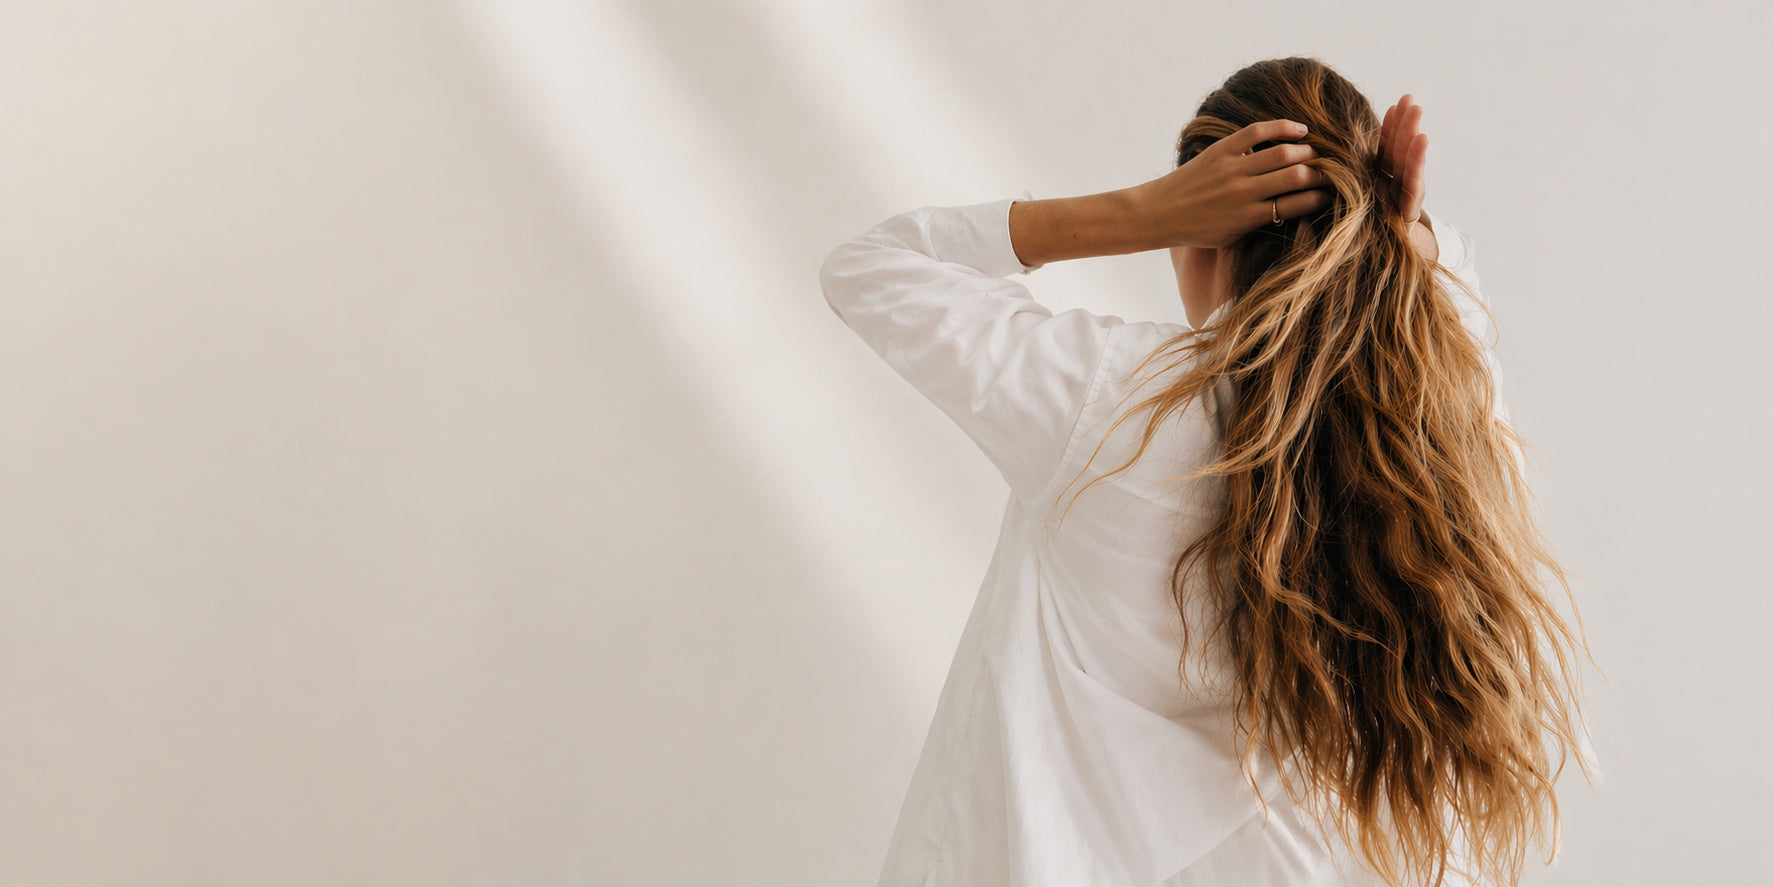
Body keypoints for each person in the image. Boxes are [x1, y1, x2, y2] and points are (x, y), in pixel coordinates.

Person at [818, 57, 1600, 887]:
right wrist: (1404, 240)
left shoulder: (1109, 403)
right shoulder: (1440, 423)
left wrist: (1142, 211)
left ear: (1195, 225)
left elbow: (874, 269)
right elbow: (1454, 311)